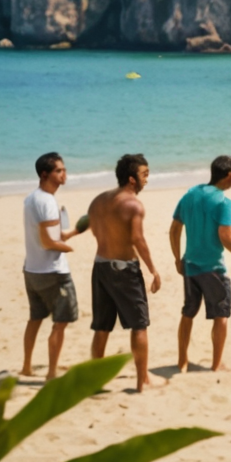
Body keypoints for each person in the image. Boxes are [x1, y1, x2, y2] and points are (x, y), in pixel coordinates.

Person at [170, 155, 231, 373]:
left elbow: (174, 229)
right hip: (214, 271)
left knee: (188, 313)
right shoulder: (224, 202)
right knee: (221, 316)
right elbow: (226, 236)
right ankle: (216, 364)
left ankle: (182, 361)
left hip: (190, 265)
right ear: (230, 175)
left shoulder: (190, 194)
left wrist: (178, 258)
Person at [86, 153, 163, 393]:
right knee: (139, 325)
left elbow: (95, 229)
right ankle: (142, 382)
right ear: (132, 179)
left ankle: (94, 381)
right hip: (125, 269)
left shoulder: (98, 200)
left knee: (102, 327)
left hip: (100, 266)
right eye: (144, 175)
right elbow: (137, 239)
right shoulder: (133, 205)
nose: (147, 180)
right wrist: (153, 269)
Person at [21, 152, 81, 381]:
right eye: (59, 170)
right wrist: (67, 249)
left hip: (32, 270)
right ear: (45, 174)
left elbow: (53, 235)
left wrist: (77, 231)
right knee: (61, 322)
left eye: (64, 169)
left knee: (35, 318)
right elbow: (49, 242)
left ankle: (26, 366)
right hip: (53, 273)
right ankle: (52, 373)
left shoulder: (31, 198)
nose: (64, 174)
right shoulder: (47, 201)